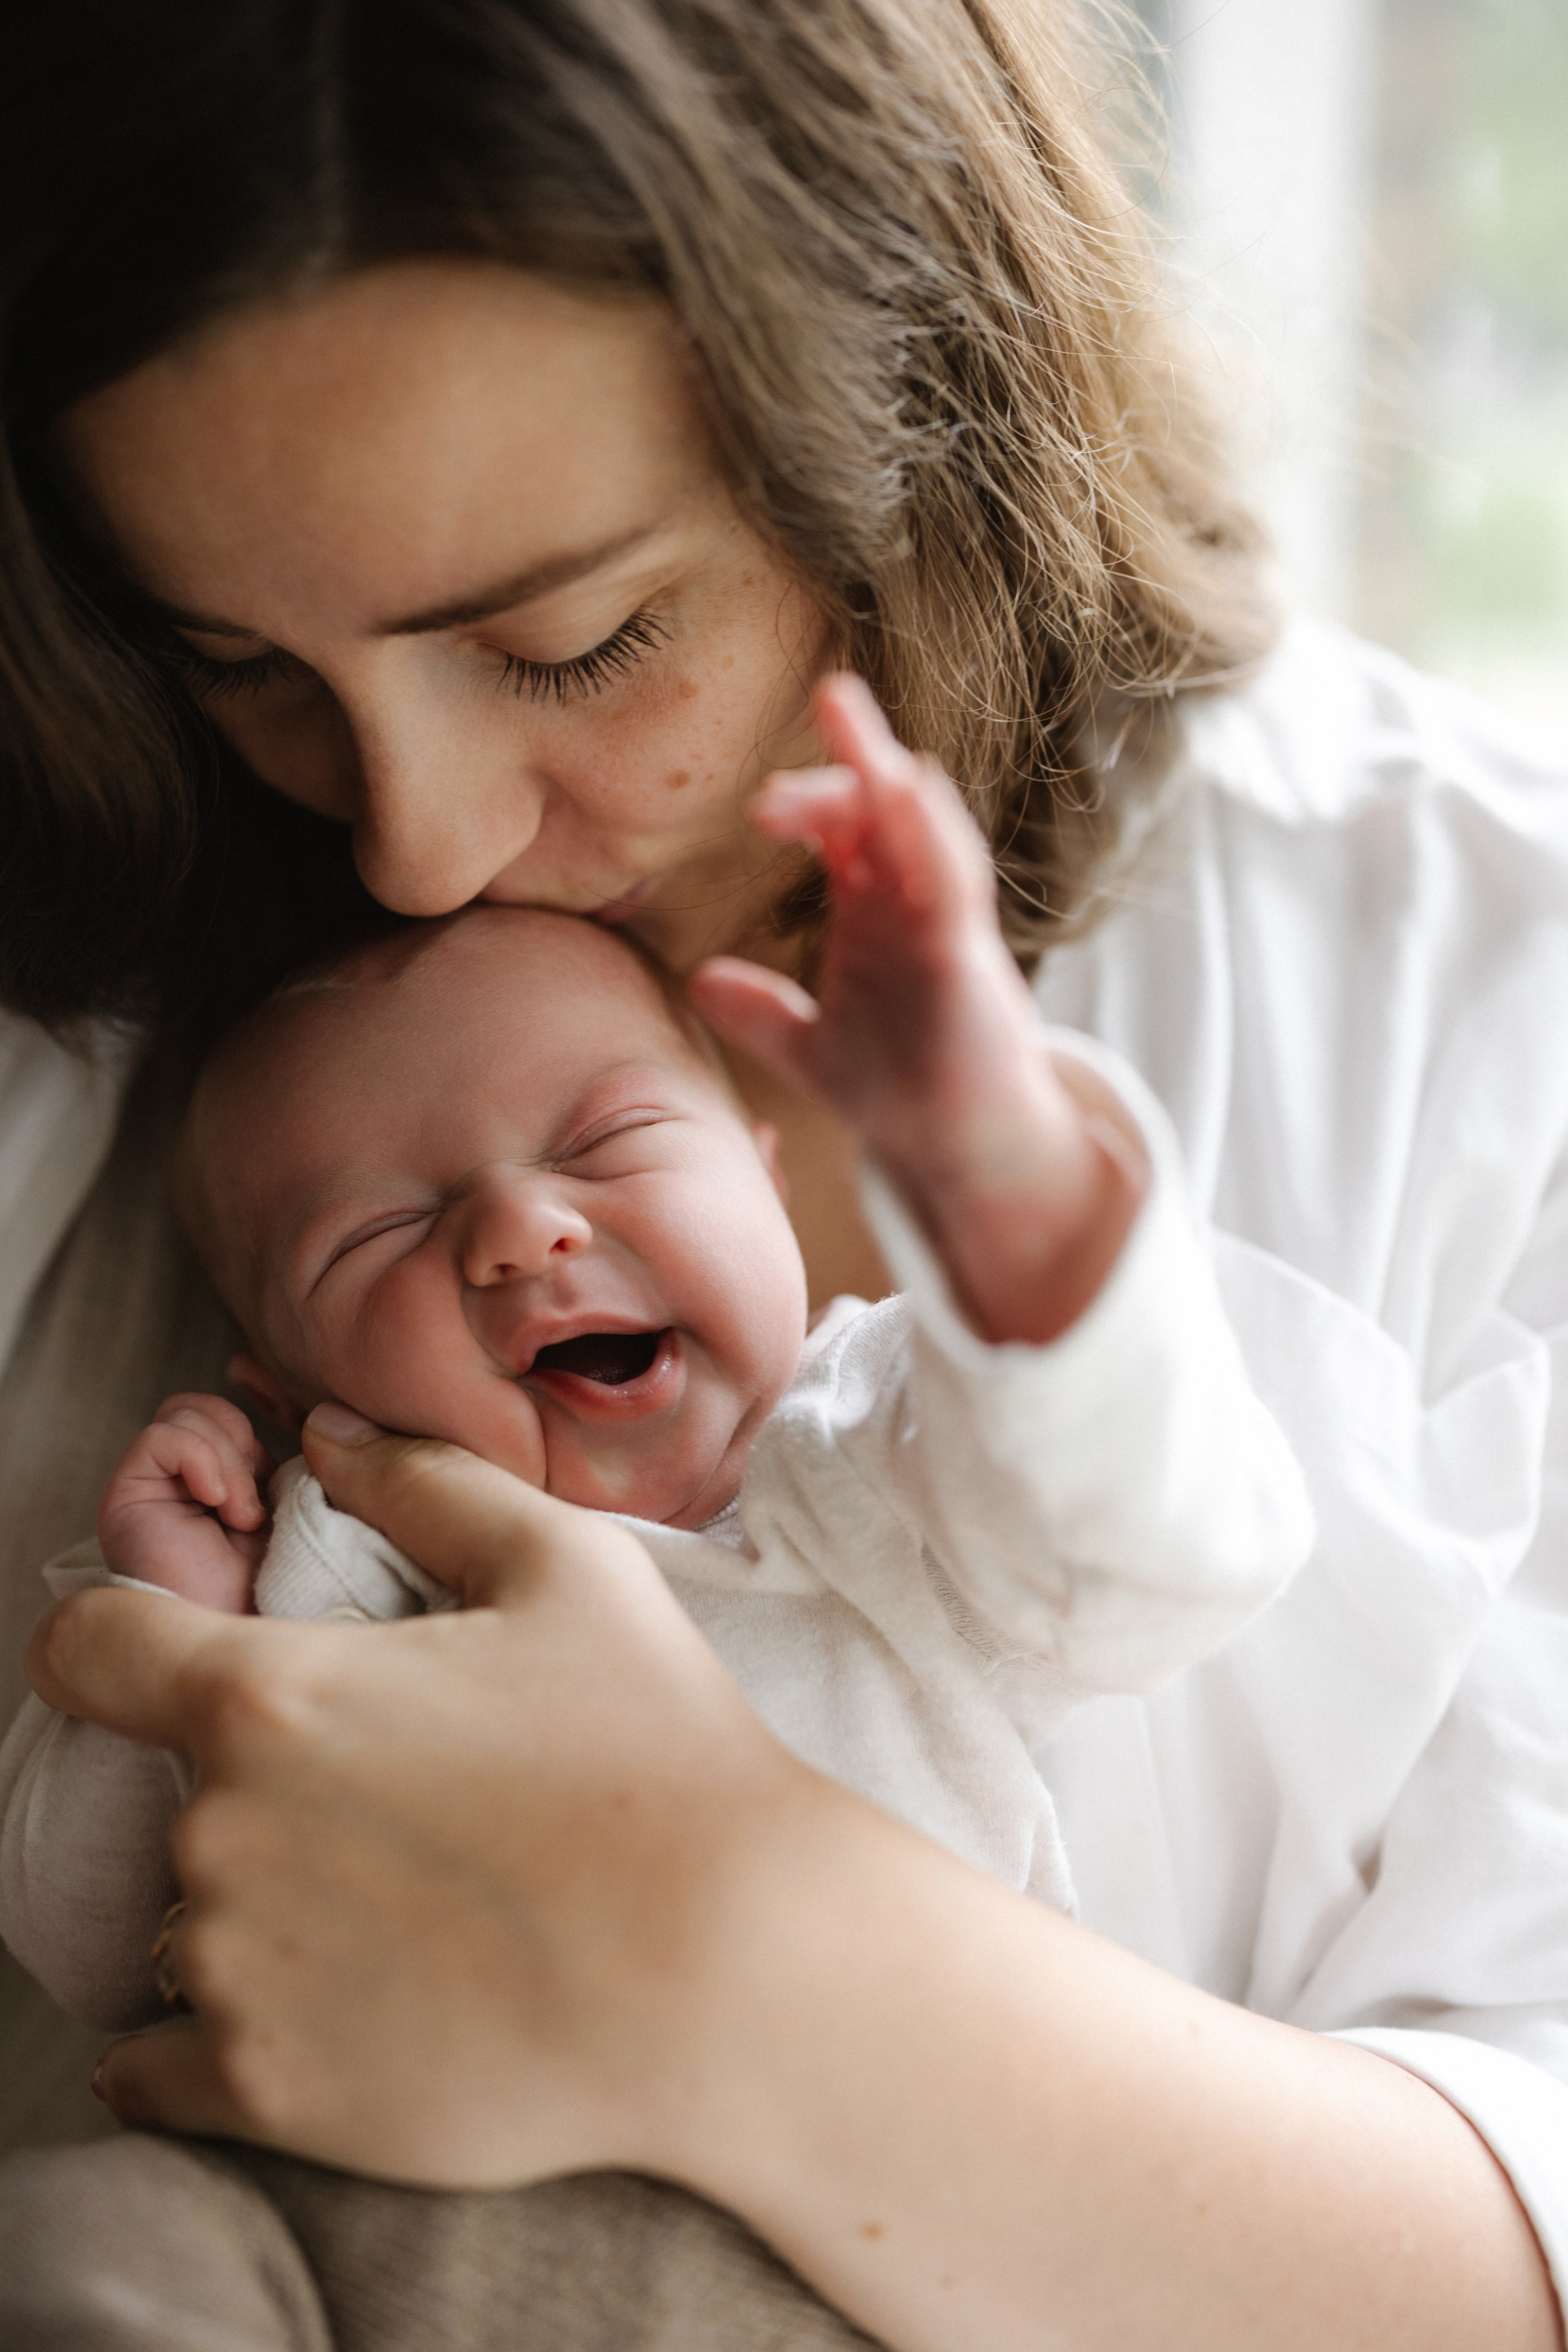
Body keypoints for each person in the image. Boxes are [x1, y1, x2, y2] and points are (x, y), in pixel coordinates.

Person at [0, 4, 1564, 2350]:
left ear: (913, 424)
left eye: (572, 637)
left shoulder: (1463, 987)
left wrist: (741, 1952)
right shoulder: (93, 1020)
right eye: (240, 662)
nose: (409, 839)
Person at [0, 777, 1312, 2033]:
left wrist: (1008, 1184)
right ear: (290, 1396)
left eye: (604, 1141)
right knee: (91, 2243)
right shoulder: (323, 1571)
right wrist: (179, 1627)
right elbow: (89, 1953)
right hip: (338, 2212)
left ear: (770, 1182)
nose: (519, 1226)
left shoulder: (874, 1455)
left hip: (830, 2201)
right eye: (378, 1236)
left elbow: (1157, 1561)